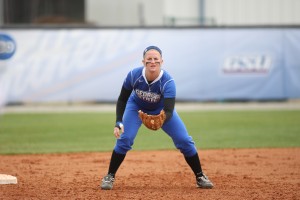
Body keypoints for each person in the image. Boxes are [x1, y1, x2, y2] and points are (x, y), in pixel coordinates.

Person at [100, 46, 214, 190]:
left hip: (161, 111)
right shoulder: (133, 75)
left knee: (184, 141)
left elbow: (169, 110)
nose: (152, 62)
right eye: (149, 59)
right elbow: (122, 99)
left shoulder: (167, 81)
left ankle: (200, 176)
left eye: (156, 59)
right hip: (136, 107)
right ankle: (109, 176)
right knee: (125, 139)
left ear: (161, 61)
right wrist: (118, 121)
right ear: (143, 62)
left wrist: (159, 120)